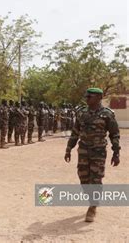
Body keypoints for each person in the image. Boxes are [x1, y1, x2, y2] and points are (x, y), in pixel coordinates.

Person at [64, 88, 120, 222]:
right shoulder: (82, 113)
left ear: (99, 97)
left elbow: (114, 134)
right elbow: (75, 132)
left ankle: (93, 206)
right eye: (86, 96)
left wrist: (116, 152)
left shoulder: (107, 114)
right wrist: (69, 148)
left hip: (98, 152)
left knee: (96, 179)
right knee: (83, 178)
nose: (87, 99)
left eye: (90, 96)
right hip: (83, 150)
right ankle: (93, 199)